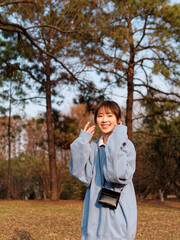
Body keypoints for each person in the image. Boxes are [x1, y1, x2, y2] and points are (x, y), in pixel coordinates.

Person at [69, 100, 137, 240]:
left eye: (110, 115)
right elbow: (81, 175)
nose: (104, 120)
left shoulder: (126, 145)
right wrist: (82, 143)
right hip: (95, 210)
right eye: (100, 116)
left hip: (118, 210)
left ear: (118, 120)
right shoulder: (93, 147)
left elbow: (117, 175)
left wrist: (116, 139)